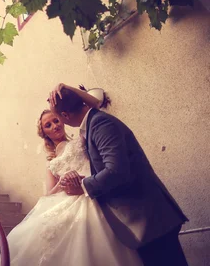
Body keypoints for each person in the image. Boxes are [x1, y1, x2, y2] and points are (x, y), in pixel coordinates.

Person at [0, 84, 142, 266]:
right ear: (44, 133)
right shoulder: (51, 163)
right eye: (48, 125)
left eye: (55, 120)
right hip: (69, 196)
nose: (54, 126)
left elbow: (94, 105)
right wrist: (63, 182)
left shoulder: (82, 138)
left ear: (63, 118)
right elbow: (49, 193)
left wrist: (68, 87)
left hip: (92, 192)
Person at [51, 85, 188, 266]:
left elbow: (116, 171)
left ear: (66, 115)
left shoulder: (100, 123)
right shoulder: (92, 122)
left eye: (58, 117)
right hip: (146, 221)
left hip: (150, 220)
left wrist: (83, 186)